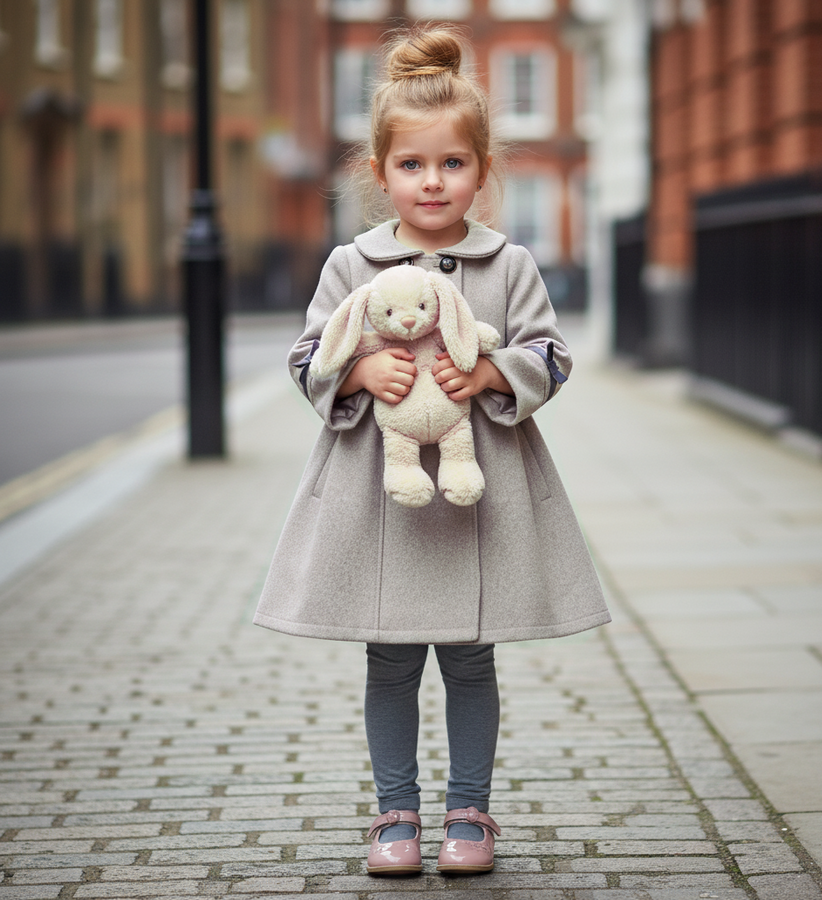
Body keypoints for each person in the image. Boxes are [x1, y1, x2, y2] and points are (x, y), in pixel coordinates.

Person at [254, 24, 610, 877]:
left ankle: (470, 813)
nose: (433, 181)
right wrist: (356, 367)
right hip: (385, 497)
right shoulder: (352, 263)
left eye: (452, 164)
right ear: (380, 175)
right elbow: (308, 356)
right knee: (389, 660)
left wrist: (493, 368)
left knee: (469, 657)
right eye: (412, 165)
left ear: (481, 171)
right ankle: (394, 815)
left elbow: (553, 355)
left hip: (476, 490)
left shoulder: (509, 263)